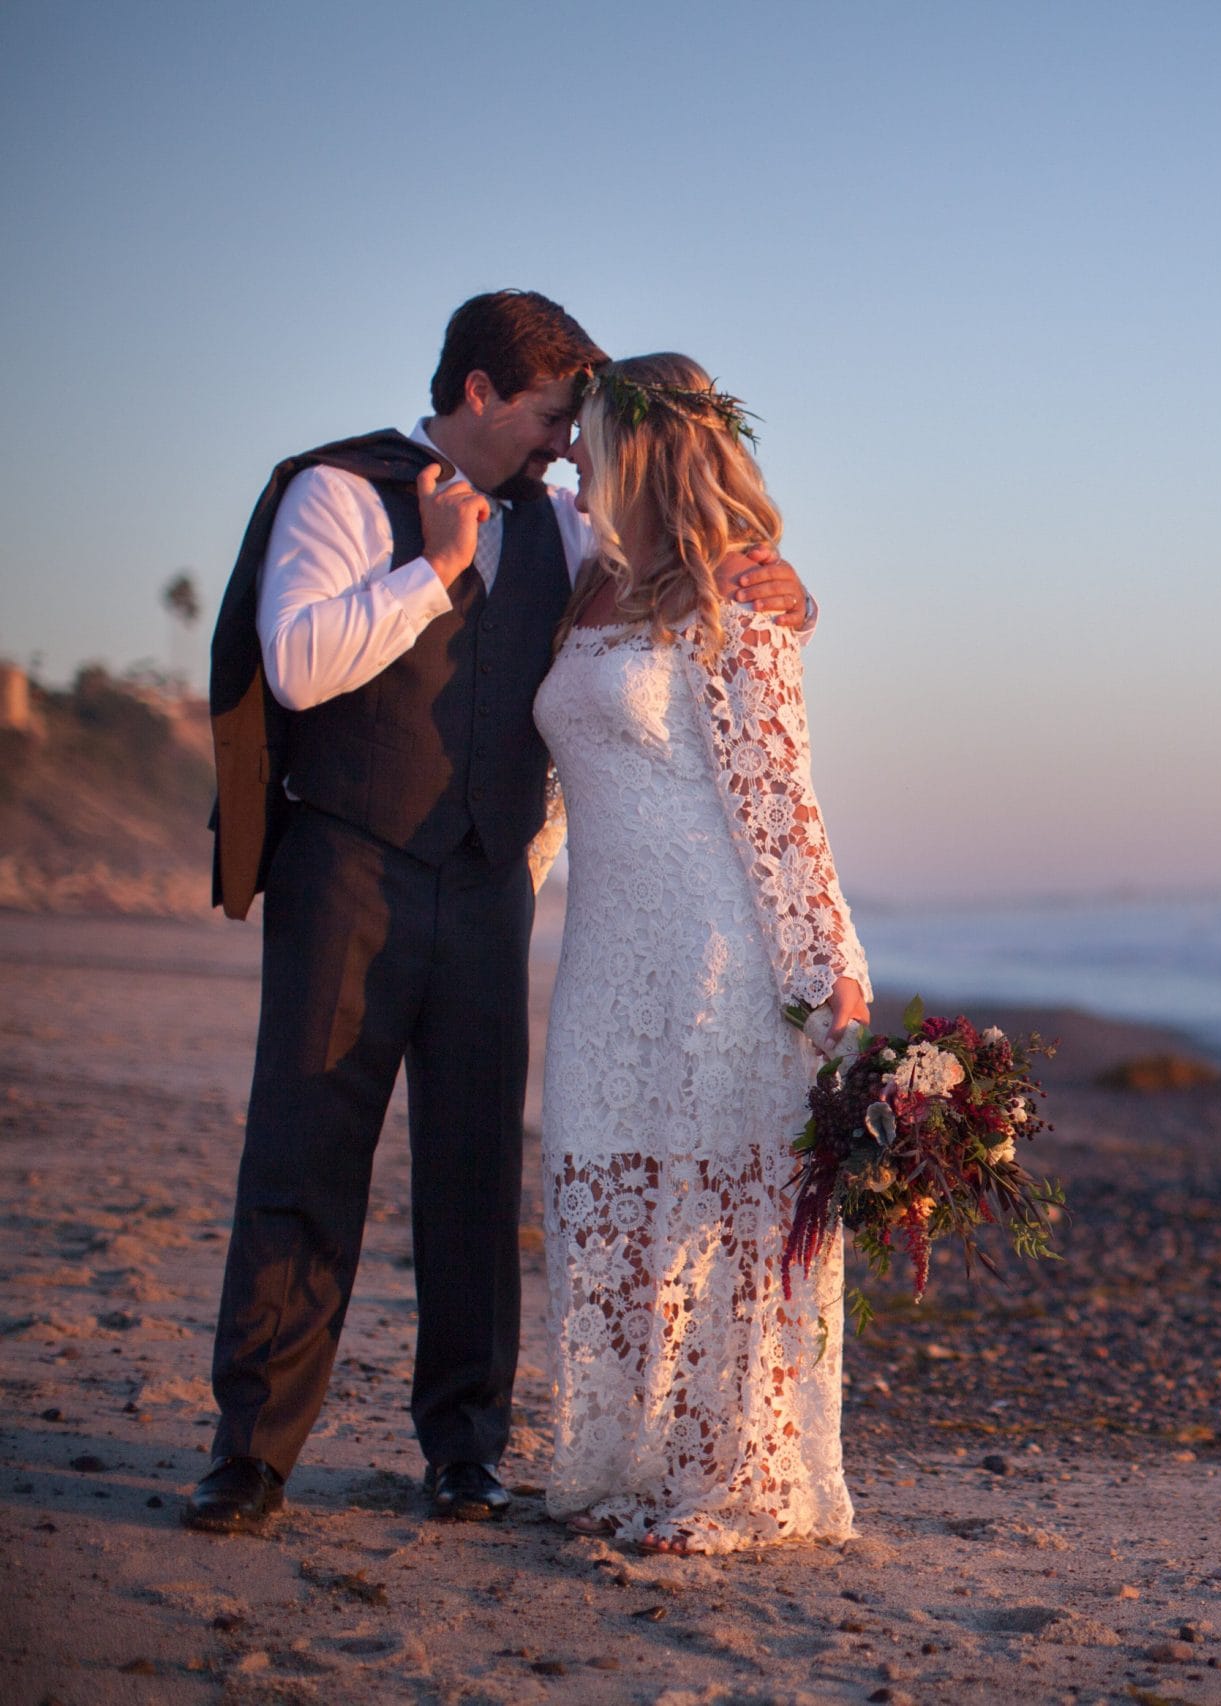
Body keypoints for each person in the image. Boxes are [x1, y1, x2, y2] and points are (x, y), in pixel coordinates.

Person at [191, 294, 814, 1534]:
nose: (560, 442)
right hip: (347, 871)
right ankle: (252, 1451)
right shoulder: (338, 493)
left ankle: (464, 1449)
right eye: (546, 415)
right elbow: (300, 661)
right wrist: (433, 567)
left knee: (472, 1178)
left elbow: (678, 597)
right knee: (305, 1155)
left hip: (486, 886)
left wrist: (786, 585)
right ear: (477, 393)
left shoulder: (570, 527)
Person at [534, 352, 868, 1554]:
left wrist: (828, 964)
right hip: (605, 949)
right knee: (609, 1192)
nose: (569, 453)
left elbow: (782, 796)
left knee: (722, 1214)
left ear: (639, 449)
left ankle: (732, 1483)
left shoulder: (732, 593)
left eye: (584, 438)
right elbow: (561, 787)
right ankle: (626, 1456)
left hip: (719, 945)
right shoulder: (590, 583)